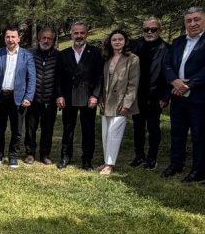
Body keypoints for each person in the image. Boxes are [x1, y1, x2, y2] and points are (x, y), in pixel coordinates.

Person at [162, 7, 205, 182]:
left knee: (200, 135)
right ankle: (176, 164)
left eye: (197, 19)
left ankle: (198, 170)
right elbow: (167, 64)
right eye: (188, 20)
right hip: (178, 96)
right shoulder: (178, 41)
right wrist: (174, 81)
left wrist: (187, 85)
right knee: (177, 133)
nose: (193, 24)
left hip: (200, 97)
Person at [56, 21, 103, 170]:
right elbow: (58, 77)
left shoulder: (95, 52)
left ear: (86, 34)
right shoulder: (63, 54)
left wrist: (95, 95)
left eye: (82, 33)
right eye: (76, 33)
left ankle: (87, 160)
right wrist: (59, 95)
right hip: (68, 98)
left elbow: (100, 76)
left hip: (88, 98)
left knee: (88, 131)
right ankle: (65, 157)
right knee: (68, 129)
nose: (79, 36)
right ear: (71, 35)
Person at [0, 27, 36, 168]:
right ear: (5, 38)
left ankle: (13, 157)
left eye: (13, 37)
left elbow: (31, 78)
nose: (10, 39)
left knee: (17, 130)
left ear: (18, 38)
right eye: (8, 37)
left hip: (18, 97)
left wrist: (29, 97)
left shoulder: (27, 55)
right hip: (1, 96)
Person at [98, 30, 140, 175]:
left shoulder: (132, 59)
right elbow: (103, 81)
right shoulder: (107, 58)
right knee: (106, 133)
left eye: (120, 39)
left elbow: (133, 84)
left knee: (114, 133)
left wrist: (127, 104)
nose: (117, 42)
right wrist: (100, 99)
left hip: (121, 101)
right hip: (107, 101)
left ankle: (110, 164)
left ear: (125, 41)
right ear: (110, 42)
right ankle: (106, 161)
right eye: (114, 40)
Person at [129, 18, 169, 169]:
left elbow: (170, 74)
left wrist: (166, 96)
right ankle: (139, 156)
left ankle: (152, 158)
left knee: (153, 127)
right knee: (137, 126)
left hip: (156, 95)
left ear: (160, 30)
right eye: (146, 29)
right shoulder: (134, 45)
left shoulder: (167, 49)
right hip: (137, 94)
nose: (149, 32)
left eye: (153, 29)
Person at [24, 27, 59, 165]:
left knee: (48, 129)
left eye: (49, 38)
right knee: (30, 128)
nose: (46, 41)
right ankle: (30, 153)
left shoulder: (58, 55)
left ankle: (45, 154)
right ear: (39, 39)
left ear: (53, 40)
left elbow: (60, 78)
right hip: (33, 98)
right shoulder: (30, 54)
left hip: (50, 99)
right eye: (44, 38)